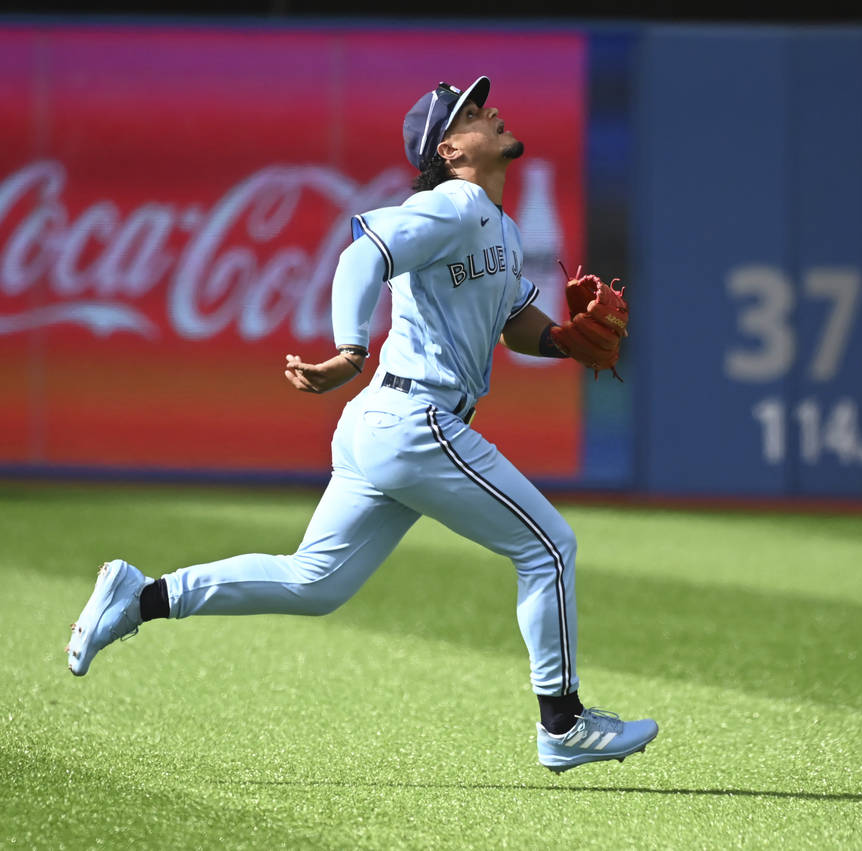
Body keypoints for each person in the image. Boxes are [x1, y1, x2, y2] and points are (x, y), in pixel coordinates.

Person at [65, 76, 657, 774]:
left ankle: (142, 595)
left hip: (384, 423)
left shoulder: (497, 221)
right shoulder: (454, 204)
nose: (491, 112)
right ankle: (562, 722)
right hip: (415, 418)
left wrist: (561, 339)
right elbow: (361, 254)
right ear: (451, 147)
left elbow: (512, 320)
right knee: (549, 548)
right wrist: (350, 345)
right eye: (472, 112)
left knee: (314, 582)